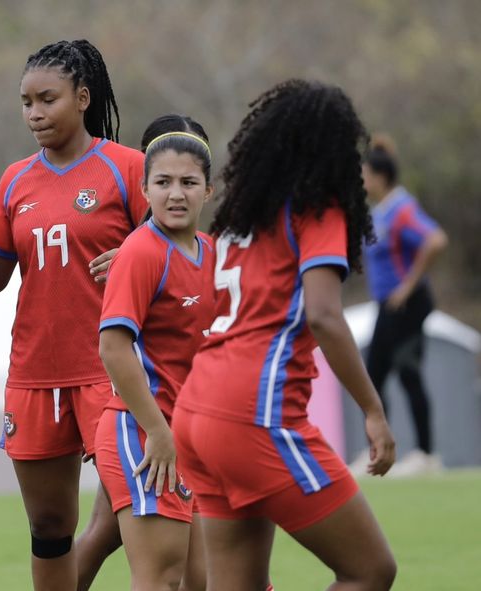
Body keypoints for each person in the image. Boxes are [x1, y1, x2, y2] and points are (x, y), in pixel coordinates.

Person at [173, 79, 398, 590]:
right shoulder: (318, 208)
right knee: (370, 571)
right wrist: (373, 410)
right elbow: (324, 315)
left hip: (197, 411)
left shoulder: (242, 217)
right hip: (255, 415)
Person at [0, 39, 146, 590]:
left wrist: (135, 256)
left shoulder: (127, 168)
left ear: (82, 98)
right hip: (34, 374)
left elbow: (177, 251)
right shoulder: (15, 180)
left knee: (138, 509)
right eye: (26, 102)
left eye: (47, 99)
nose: (34, 113)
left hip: (110, 370)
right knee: (49, 526)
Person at [94, 124, 215, 591]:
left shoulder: (211, 252)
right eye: (163, 182)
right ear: (144, 190)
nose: (175, 194)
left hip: (190, 437)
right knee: (160, 579)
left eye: (188, 182)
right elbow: (113, 347)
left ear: (209, 190)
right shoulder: (142, 251)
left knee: (206, 581)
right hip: (142, 432)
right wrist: (159, 431)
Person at [353, 135, 448, 477]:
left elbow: (435, 240)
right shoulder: (380, 211)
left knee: (405, 373)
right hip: (388, 306)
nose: (362, 180)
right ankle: (379, 452)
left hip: (407, 304)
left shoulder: (402, 209)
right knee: (374, 375)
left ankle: (425, 454)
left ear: (380, 177)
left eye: (365, 174)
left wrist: (407, 286)